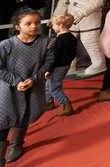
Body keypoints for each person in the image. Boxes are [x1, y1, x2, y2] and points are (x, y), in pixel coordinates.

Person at [0, 9, 54, 164]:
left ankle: (16, 145)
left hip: (33, 85)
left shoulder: (47, 42)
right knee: (3, 120)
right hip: (8, 87)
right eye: (28, 23)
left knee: (25, 112)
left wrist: (33, 79)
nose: (34, 26)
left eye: (37, 22)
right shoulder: (5, 45)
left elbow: (47, 63)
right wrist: (16, 82)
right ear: (18, 26)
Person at [45, 13, 77, 116]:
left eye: (54, 25)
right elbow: (73, 54)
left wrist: (48, 70)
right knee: (48, 84)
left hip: (57, 67)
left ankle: (66, 105)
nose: (53, 27)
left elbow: (54, 57)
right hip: (66, 65)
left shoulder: (59, 40)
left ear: (61, 25)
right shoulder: (72, 37)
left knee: (54, 87)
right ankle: (48, 102)